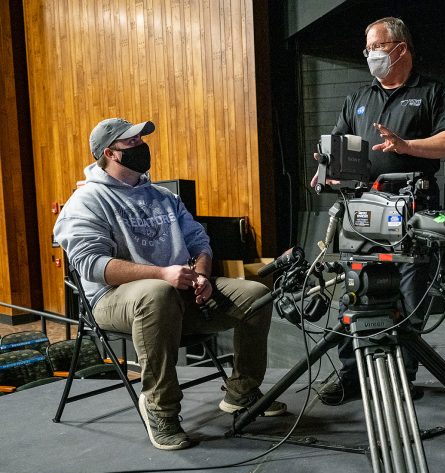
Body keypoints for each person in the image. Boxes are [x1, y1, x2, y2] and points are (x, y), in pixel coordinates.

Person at [54, 117, 287, 451]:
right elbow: (92, 265)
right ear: (109, 153)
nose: (142, 146)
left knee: (257, 294)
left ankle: (242, 391)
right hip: (113, 300)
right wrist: (162, 274)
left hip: (176, 293)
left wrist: (202, 275)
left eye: (141, 140)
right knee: (157, 292)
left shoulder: (163, 197)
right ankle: (160, 408)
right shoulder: (87, 201)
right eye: (131, 143)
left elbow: (199, 241)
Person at [312, 17, 445, 405]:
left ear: (400, 49)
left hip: (412, 206)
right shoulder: (358, 99)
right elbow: (337, 145)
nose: (369, 55)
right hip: (363, 207)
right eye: (367, 49)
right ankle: (351, 375)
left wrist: (406, 146)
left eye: (376, 47)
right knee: (356, 289)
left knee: (411, 294)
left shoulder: (432, 93)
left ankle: (400, 376)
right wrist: (327, 170)